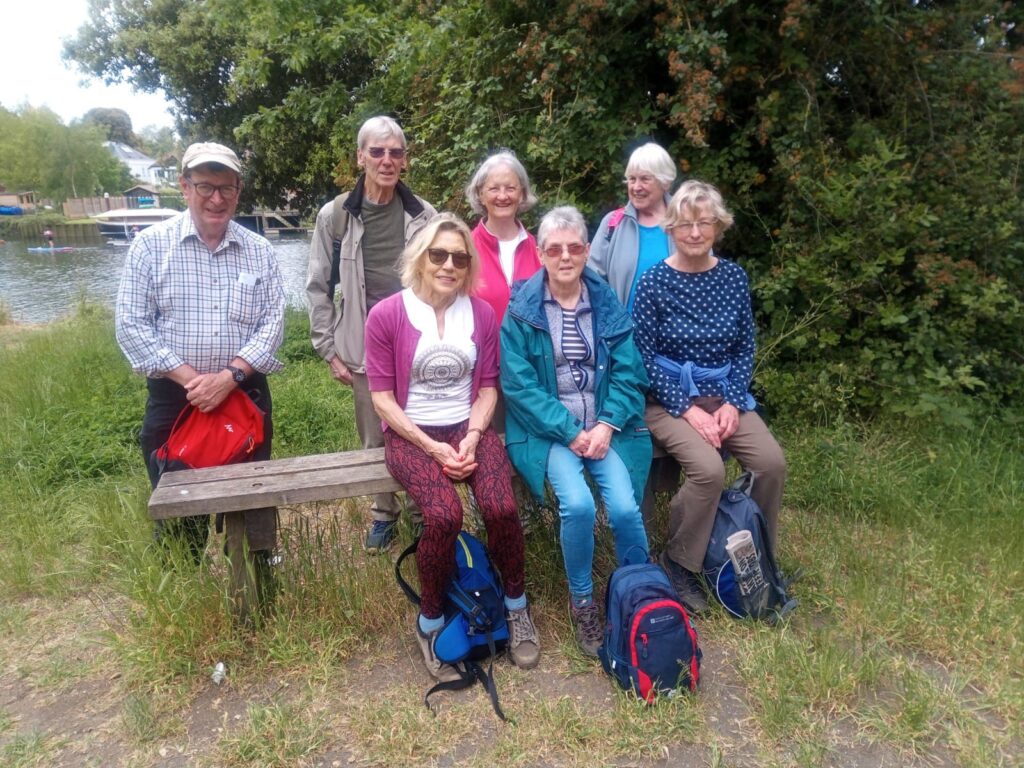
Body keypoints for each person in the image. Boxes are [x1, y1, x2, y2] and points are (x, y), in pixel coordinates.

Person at [364, 213, 540, 680]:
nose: (448, 265)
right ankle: (431, 619)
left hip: (468, 427)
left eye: (459, 258)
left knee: (502, 507)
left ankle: (516, 607)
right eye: (437, 254)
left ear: (469, 266)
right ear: (420, 257)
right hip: (411, 433)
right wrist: (432, 447)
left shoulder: (480, 313)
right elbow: (382, 400)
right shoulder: (387, 314)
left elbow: (487, 388)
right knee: (444, 516)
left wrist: (473, 436)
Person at [116, 141, 285, 564]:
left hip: (244, 394)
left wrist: (226, 379)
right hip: (176, 399)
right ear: (184, 186)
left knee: (251, 495)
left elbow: (273, 325)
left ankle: (258, 574)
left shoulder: (259, 251)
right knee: (178, 503)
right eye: (206, 186)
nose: (216, 198)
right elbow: (131, 325)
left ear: (238, 191)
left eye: (226, 188)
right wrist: (195, 382)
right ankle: (186, 582)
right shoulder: (151, 247)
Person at [501, 206, 651, 656]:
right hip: (551, 431)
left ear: (587, 251)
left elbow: (630, 374)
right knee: (580, 505)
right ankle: (583, 600)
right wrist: (570, 432)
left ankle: (638, 590)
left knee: (625, 509)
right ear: (541, 254)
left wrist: (605, 425)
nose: (565, 256)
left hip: (605, 429)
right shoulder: (522, 309)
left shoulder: (606, 304)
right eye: (554, 249)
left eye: (574, 247)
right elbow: (518, 385)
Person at [632, 180, 786, 615]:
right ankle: (680, 561)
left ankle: (752, 553)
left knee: (771, 463)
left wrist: (734, 402)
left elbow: (745, 347)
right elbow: (641, 356)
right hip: (667, 400)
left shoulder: (733, 277)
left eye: (704, 223)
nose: (695, 233)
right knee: (708, 470)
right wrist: (686, 409)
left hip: (725, 395)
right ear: (671, 228)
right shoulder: (654, 282)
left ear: (718, 226)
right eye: (685, 224)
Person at [306, 116, 437, 552]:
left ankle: (422, 510)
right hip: (364, 345)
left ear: (405, 160)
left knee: (419, 425)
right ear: (360, 156)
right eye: (377, 152)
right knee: (375, 435)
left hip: (417, 342)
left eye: (395, 152)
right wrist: (328, 349)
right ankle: (385, 513)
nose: (387, 160)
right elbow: (318, 286)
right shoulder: (336, 216)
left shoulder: (424, 214)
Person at [589, 142, 677, 311]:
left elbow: (703, 277)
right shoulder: (612, 223)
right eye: (632, 179)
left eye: (645, 179)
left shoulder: (685, 222)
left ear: (665, 183)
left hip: (676, 334)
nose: (636, 187)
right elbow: (592, 280)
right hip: (624, 334)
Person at [465, 150, 540, 326]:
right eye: (494, 188)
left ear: (521, 194)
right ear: (481, 194)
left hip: (527, 353)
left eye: (510, 188)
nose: (502, 196)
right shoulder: (465, 248)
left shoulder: (539, 249)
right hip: (482, 352)